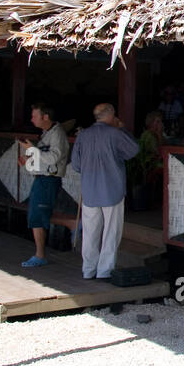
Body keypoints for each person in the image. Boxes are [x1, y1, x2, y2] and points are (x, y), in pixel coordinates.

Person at [70, 103, 140, 280]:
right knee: (111, 232)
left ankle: (88, 270)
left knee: (90, 232)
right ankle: (104, 271)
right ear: (111, 116)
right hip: (112, 190)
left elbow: (76, 165)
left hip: (89, 190)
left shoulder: (83, 135)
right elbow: (133, 150)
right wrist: (122, 129)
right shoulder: (115, 134)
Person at [16, 102, 69, 268]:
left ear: (45, 116)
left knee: (37, 215)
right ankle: (75, 225)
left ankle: (40, 255)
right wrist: (28, 158)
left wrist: (32, 149)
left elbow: (54, 158)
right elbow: (44, 157)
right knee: (40, 213)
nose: (31, 120)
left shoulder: (57, 134)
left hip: (48, 179)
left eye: (34, 116)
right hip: (42, 178)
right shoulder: (47, 132)